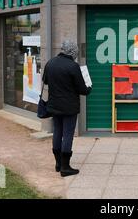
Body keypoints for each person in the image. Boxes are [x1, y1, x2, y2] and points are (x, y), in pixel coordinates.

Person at [43, 40, 92, 177]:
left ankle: (58, 164)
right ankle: (65, 167)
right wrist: (89, 88)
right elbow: (82, 89)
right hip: (69, 107)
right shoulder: (73, 66)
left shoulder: (50, 63)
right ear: (73, 52)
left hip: (54, 106)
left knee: (57, 131)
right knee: (68, 134)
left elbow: (45, 81)